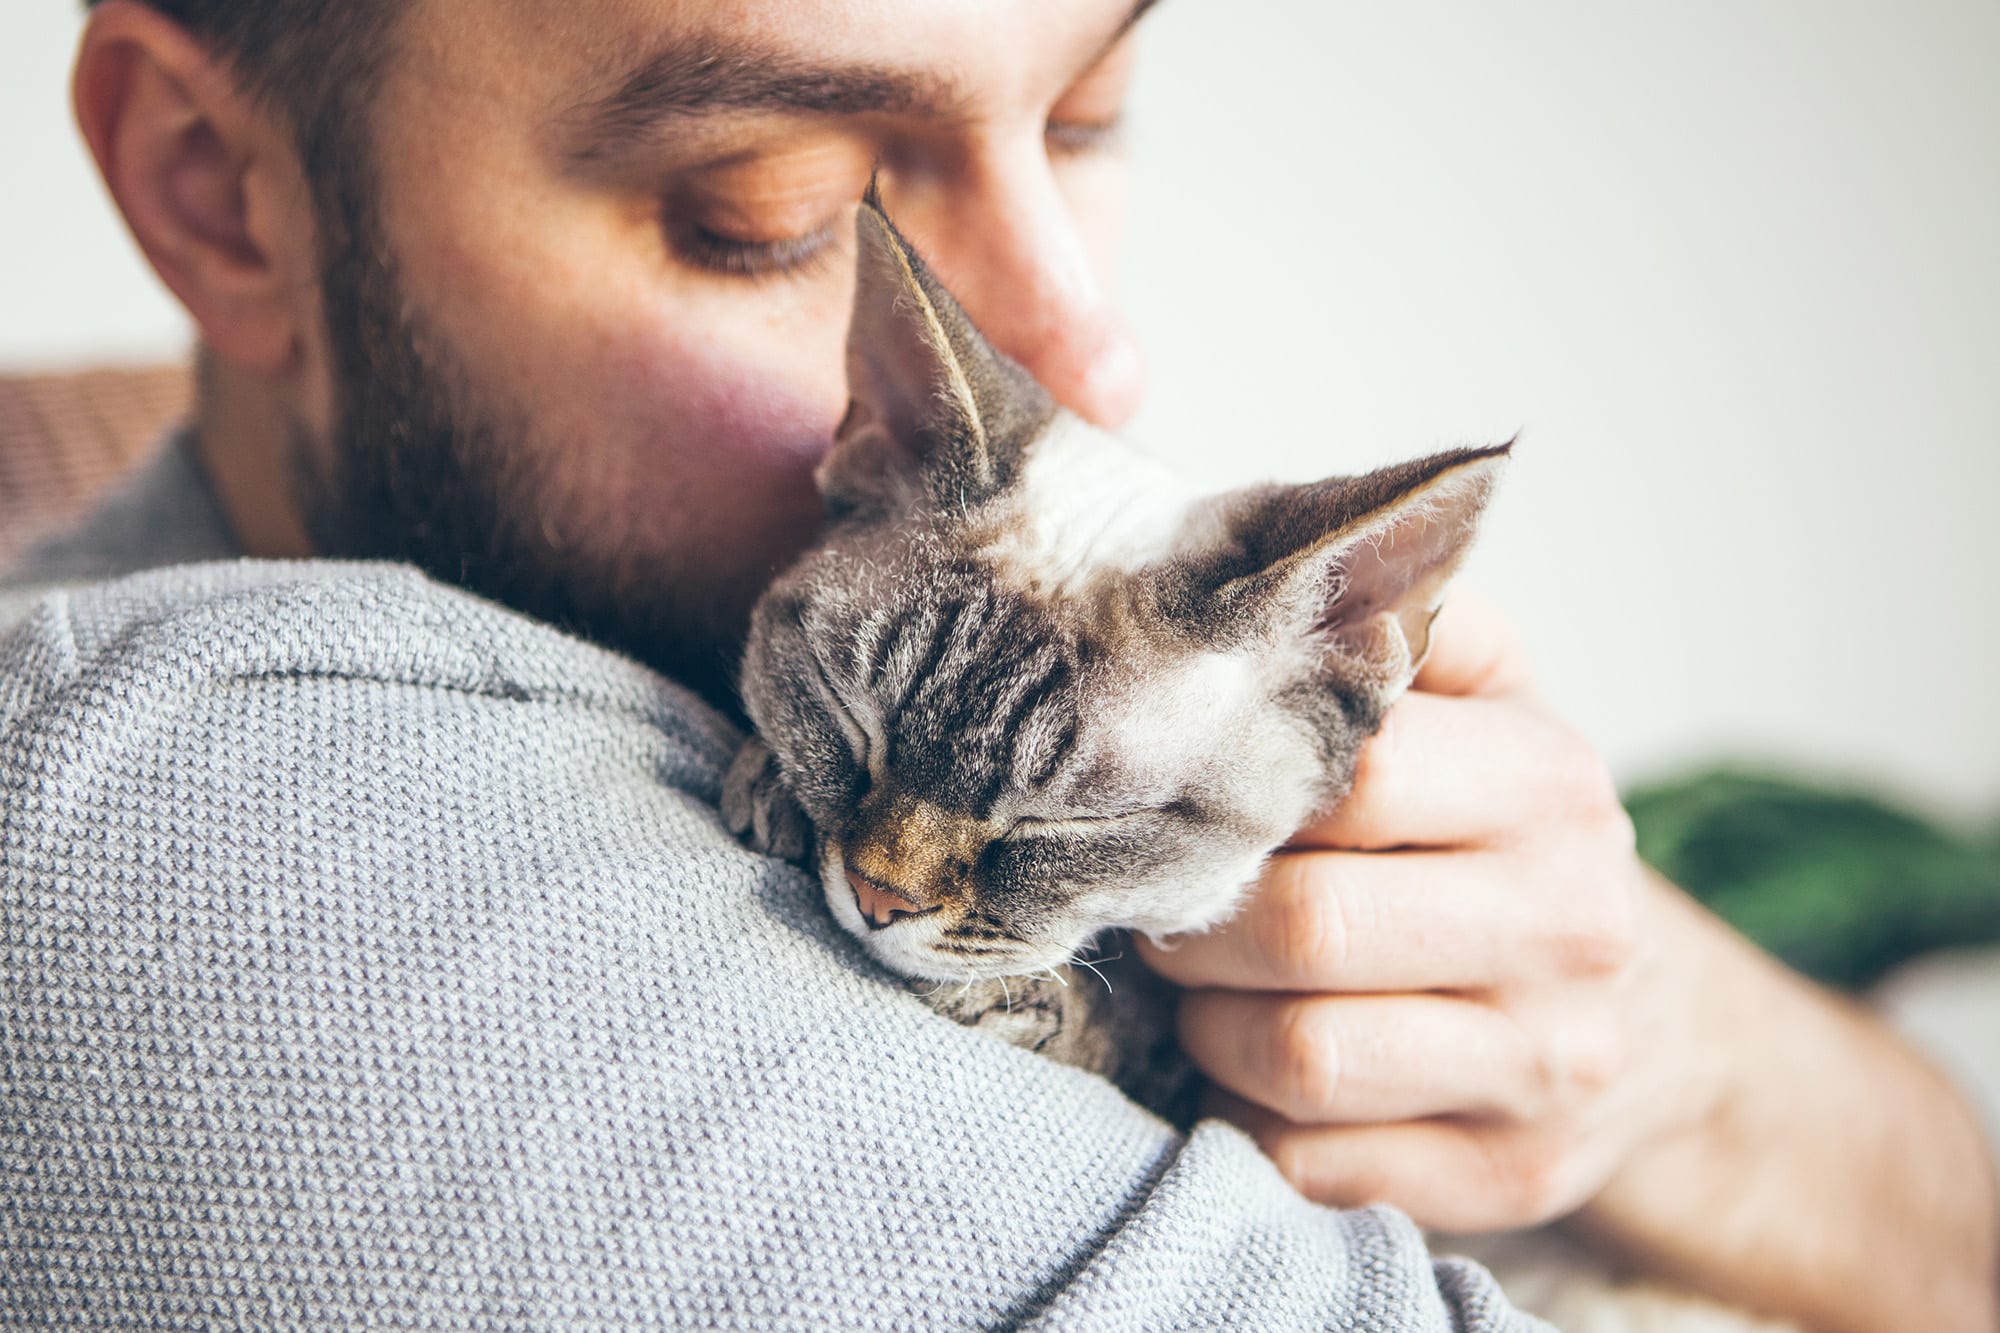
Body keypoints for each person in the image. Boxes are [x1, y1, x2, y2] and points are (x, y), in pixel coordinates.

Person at [2, 0, 1993, 1328]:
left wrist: (1682, 1069)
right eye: (773, 214)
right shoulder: (211, 846)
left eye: (1090, 110)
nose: (1092, 361)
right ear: (212, 187)